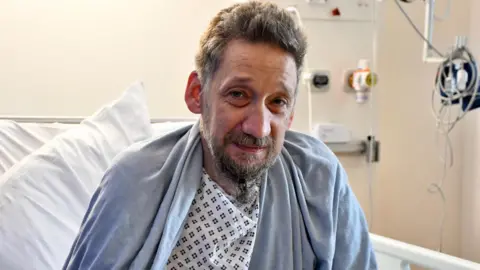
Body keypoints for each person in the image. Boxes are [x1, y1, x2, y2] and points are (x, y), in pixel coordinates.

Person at [63, 1, 378, 269]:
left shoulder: (318, 179)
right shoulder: (134, 180)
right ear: (197, 93)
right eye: (239, 95)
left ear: (291, 113)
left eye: (278, 102)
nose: (259, 127)